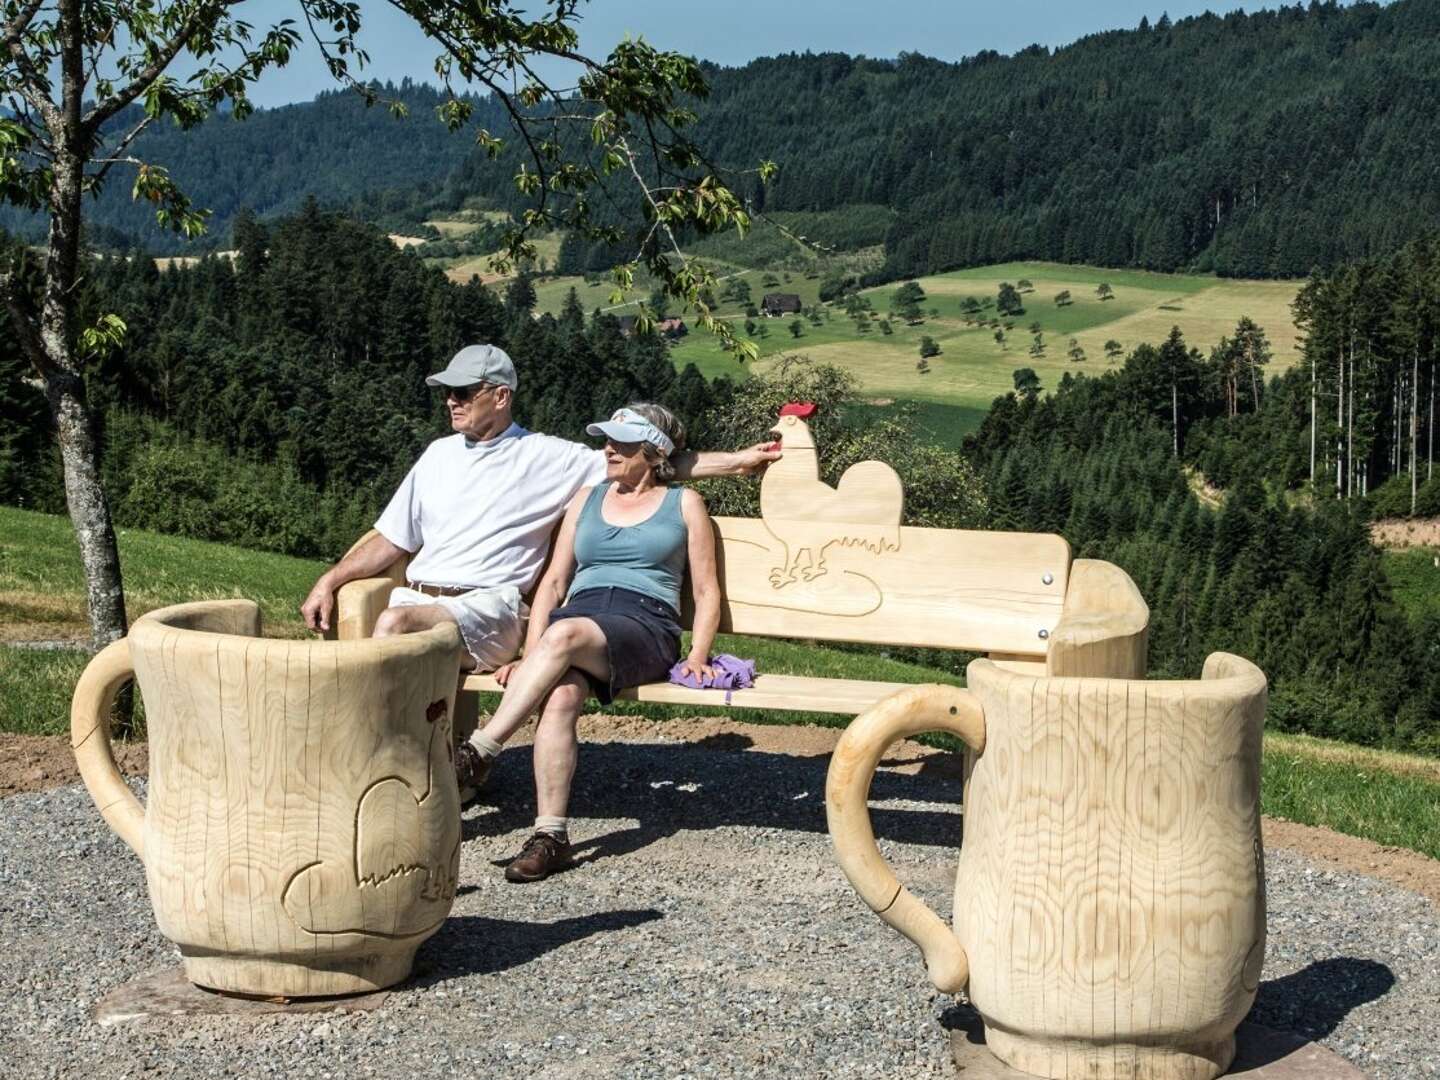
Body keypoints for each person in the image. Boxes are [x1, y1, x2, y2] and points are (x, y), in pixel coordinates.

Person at [300, 344, 775, 677]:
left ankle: (391, 761)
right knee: (353, 656)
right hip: (418, 601)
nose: (451, 400)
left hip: (486, 610)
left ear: (501, 396)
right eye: (448, 391)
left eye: (464, 392)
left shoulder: (547, 457)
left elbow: (649, 459)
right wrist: (330, 579)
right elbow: (391, 538)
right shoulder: (437, 455)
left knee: (392, 628)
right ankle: (420, 762)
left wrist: (737, 463)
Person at [457, 402, 720, 883]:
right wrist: (527, 655)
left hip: (645, 625)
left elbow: (705, 591)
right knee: (558, 696)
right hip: (577, 624)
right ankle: (550, 837)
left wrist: (698, 655)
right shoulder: (586, 499)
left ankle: (479, 751)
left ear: (652, 450)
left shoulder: (683, 504)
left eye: (620, 443)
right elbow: (554, 584)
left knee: (566, 633)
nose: (608, 450)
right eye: (608, 441)